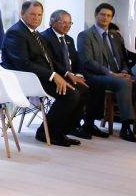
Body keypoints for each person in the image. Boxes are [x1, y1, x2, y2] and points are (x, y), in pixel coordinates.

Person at [77, 3, 136, 141]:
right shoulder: (85, 35)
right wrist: (112, 74)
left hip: (118, 74)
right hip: (96, 76)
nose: (105, 17)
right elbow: (87, 61)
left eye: (108, 15)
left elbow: (123, 59)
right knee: (124, 83)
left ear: (111, 18)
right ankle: (126, 127)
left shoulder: (115, 36)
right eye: (102, 14)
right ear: (96, 15)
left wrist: (124, 70)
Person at [0, 1, 82, 146]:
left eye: (39, 15)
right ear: (22, 13)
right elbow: (23, 64)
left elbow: (49, 59)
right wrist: (53, 75)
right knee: (70, 95)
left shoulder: (35, 33)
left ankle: (62, 130)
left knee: (82, 89)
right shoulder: (16, 32)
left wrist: (66, 73)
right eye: (33, 14)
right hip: (27, 79)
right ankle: (45, 133)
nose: (36, 18)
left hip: (41, 76)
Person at [42, 9, 108, 139]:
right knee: (80, 90)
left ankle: (86, 124)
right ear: (52, 22)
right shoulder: (45, 37)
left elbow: (77, 61)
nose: (67, 26)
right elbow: (51, 62)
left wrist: (78, 75)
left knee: (97, 85)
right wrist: (68, 74)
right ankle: (68, 126)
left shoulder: (69, 39)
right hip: (56, 76)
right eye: (63, 22)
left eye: (69, 23)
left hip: (71, 75)